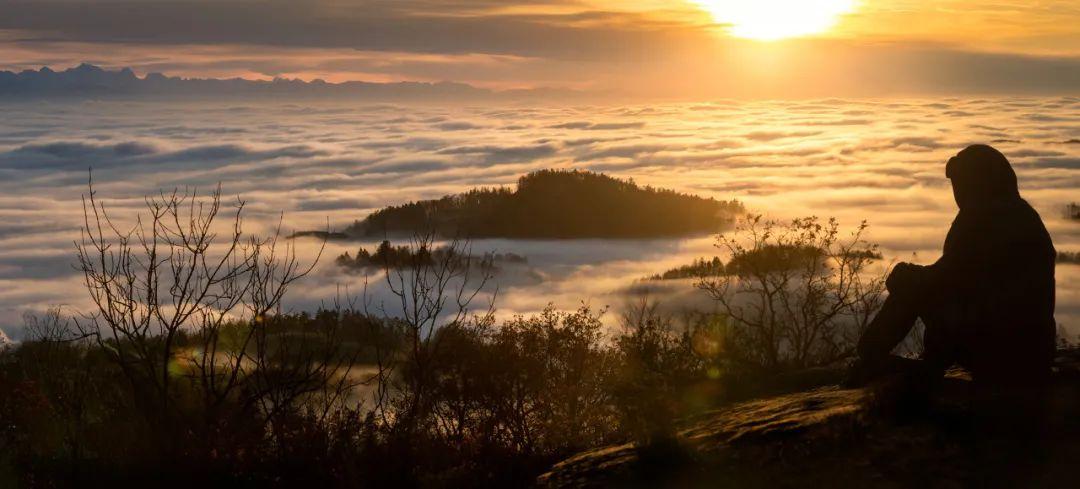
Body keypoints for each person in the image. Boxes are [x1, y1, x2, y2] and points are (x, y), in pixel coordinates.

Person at [848, 144, 1057, 387]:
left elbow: (947, 279)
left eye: (960, 183)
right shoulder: (1020, 215)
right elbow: (956, 277)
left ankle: (872, 356)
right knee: (919, 285)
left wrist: (908, 277)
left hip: (999, 352)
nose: (957, 192)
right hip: (1031, 353)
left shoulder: (984, 220)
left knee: (910, 286)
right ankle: (914, 363)